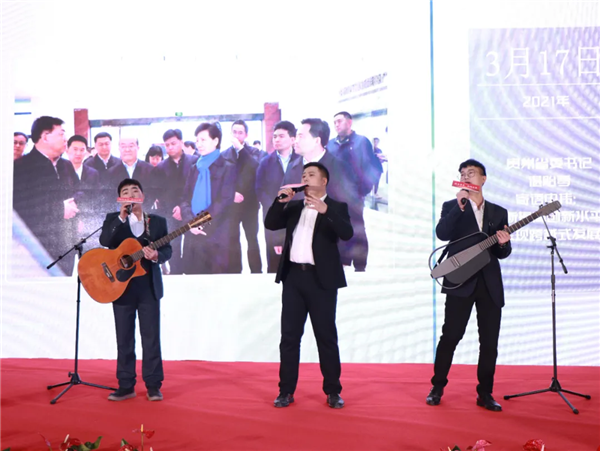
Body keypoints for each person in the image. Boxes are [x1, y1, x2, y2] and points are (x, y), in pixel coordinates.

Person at [265, 159, 353, 410]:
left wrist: (326, 211)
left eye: (311, 174)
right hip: (293, 278)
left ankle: (333, 391)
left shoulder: (337, 207)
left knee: (326, 337)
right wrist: (280, 201)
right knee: (289, 337)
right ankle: (285, 391)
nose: (305, 178)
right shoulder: (294, 207)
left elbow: (346, 233)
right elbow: (271, 223)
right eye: (303, 175)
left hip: (321, 280)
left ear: (323, 181)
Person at [426, 159, 511, 412]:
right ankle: (437, 387)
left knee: (489, 343)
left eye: (471, 173)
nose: (466, 177)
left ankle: (485, 393)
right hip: (460, 281)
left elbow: (502, 253)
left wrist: (504, 243)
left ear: (483, 179)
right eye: (462, 174)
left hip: (489, 284)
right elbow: (442, 234)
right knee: (451, 336)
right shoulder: (451, 206)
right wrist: (459, 206)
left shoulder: (498, 212)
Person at [100, 178, 172, 402]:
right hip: (120, 287)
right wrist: (121, 218)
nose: (130, 194)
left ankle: (153, 385)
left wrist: (157, 255)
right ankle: (125, 385)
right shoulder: (113, 219)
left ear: (142, 195)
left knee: (151, 338)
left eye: (134, 190)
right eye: (125, 191)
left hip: (148, 287)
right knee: (124, 339)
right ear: (119, 198)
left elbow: (167, 249)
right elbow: (105, 240)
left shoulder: (157, 222)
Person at [13, 116, 80, 276]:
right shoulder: (21, 167)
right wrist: (60, 209)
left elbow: (80, 190)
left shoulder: (66, 165)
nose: (65, 139)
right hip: (38, 248)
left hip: (67, 244)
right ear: (45, 137)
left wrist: (75, 204)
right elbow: (21, 208)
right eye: (61, 134)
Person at [328, 111, 381, 271]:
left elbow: (372, 167)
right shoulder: (330, 145)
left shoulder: (361, 142)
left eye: (339, 121)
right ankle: (343, 262)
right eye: (334, 122)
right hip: (335, 197)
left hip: (354, 196)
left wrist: (363, 189)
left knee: (357, 230)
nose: (336, 125)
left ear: (349, 122)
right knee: (338, 229)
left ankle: (360, 266)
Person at [180, 122, 236, 274]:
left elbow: (224, 201)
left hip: (216, 234)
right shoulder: (194, 168)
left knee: (216, 281)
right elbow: (185, 199)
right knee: (193, 279)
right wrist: (190, 222)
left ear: (215, 141)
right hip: (192, 233)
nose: (199, 144)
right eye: (197, 140)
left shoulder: (227, 167)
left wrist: (200, 221)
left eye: (203, 140)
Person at [255, 120, 303, 273]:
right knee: (275, 262)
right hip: (274, 216)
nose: (276, 139)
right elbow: (259, 189)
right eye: (275, 136)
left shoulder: (302, 160)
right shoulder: (265, 163)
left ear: (292, 139)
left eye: (281, 136)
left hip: (298, 215)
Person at [154, 129, 199, 275]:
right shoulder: (161, 167)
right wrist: (174, 208)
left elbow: (196, 188)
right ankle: (176, 276)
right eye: (167, 145)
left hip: (191, 212)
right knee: (173, 249)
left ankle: (191, 277)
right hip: (171, 214)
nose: (170, 147)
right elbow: (161, 192)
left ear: (181, 142)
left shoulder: (194, 161)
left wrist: (183, 207)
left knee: (191, 248)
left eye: (173, 143)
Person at [222, 120, 264, 273]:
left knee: (252, 239)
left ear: (246, 135)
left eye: (240, 132)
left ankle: (256, 271)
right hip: (231, 204)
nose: (237, 135)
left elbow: (256, 168)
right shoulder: (224, 155)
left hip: (250, 204)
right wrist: (231, 193)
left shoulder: (255, 152)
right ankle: (235, 271)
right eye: (234, 132)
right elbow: (222, 180)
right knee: (232, 239)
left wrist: (241, 149)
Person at [66, 135, 101, 251]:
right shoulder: (60, 172)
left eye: (82, 150)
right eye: (75, 149)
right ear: (67, 150)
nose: (78, 153)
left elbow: (95, 199)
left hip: (87, 222)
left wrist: (84, 219)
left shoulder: (93, 173)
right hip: (65, 224)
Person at [106, 138, 156, 210]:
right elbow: (110, 197)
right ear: (119, 149)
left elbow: (152, 194)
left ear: (138, 148)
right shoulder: (110, 173)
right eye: (123, 146)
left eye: (131, 146)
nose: (127, 149)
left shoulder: (150, 170)